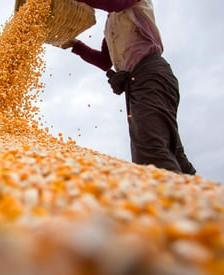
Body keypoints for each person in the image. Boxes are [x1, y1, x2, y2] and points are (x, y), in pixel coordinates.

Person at [61, 0, 196, 175]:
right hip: (136, 82)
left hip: (151, 74)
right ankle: (198, 194)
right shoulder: (111, 22)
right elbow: (104, 61)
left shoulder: (127, 4)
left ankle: (171, 198)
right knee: (169, 147)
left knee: (151, 149)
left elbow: (115, 4)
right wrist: (75, 45)